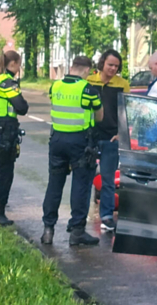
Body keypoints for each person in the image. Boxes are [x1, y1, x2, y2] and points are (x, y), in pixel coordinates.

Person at [41, 56, 103, 247]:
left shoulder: (55, 86)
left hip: (57, 140)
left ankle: (48, 230)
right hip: (80, 141)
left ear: (72, 67)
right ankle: (77, 232)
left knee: (54, 185)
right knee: (80, 185)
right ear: (87, 70)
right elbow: (100, 117)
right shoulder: (88, 89)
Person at [0, 49, 28, 226]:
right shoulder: (7, 84)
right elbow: (22, 107)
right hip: (4, 131)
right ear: (13, 63)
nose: (19, 67)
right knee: (4, 173)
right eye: (19, 64)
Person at [85, 49, 129, 233]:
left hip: (111, 137)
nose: (113, 69)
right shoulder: (89, 81)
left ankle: (107, 217)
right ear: (102, 63)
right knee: (85, 177)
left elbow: (126, 112)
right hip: (90, 138)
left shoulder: (122, 84)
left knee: (108, 180)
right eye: (110, 65)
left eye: (116, 66)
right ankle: (79, 217)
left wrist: (121, 133)